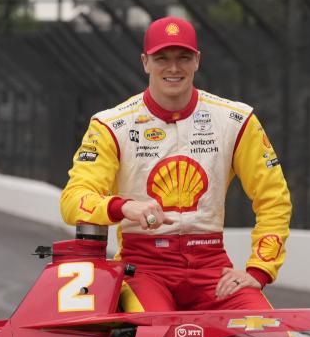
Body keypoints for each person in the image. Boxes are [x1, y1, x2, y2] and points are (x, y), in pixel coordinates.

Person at [60, 16, 292, 314]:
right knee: (157, 336)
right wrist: (124, 206)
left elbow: (274, 199)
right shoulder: (110, 125)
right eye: (161, 58)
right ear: (145, 62)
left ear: (197, 60)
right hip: (143, 268)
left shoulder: (236, 119)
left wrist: (259, 270)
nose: (173, 68)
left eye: (183, 57)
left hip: (212, 266)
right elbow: (73, 199)